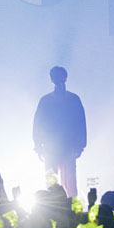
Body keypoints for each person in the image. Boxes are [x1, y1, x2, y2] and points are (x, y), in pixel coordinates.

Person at [33, 66, 86, 197]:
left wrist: (38, 145)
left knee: (53, 183)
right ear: (66, 78)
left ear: (51, 80)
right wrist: (80, 146)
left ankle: (53, 206)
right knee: (69, 183)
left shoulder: (45, 100)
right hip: (66, 148)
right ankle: (71, 207)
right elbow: (81, 123)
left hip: (53, 148)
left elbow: (38, 125)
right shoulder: (73, 99)